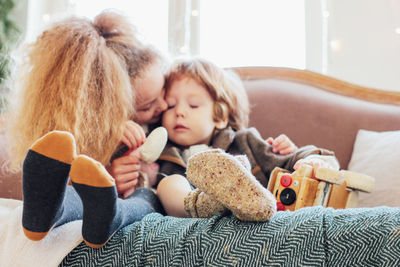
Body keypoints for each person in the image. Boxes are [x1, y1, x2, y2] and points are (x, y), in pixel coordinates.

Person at [5, 11, 167, 248]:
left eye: (163, 93)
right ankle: (46, 212)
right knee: (76, 194)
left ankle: (109, 214)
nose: (164, 106)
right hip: (102, 192)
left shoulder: (171, 115)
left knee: (146, 199)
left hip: (141, 196)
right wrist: (110, 168)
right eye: (147, 106)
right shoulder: (104, 129)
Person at [154, 57, 339, 218]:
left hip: (251, 210)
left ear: (220, 116)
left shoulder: (245, 142)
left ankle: (239, 198)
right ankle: (204, 206)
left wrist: (313, 159)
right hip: (189, 211)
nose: (179, 112)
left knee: (239, 164)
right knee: (167, 184)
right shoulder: (162, 152)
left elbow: (289, 160)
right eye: (170, 106)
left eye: (193, 105)